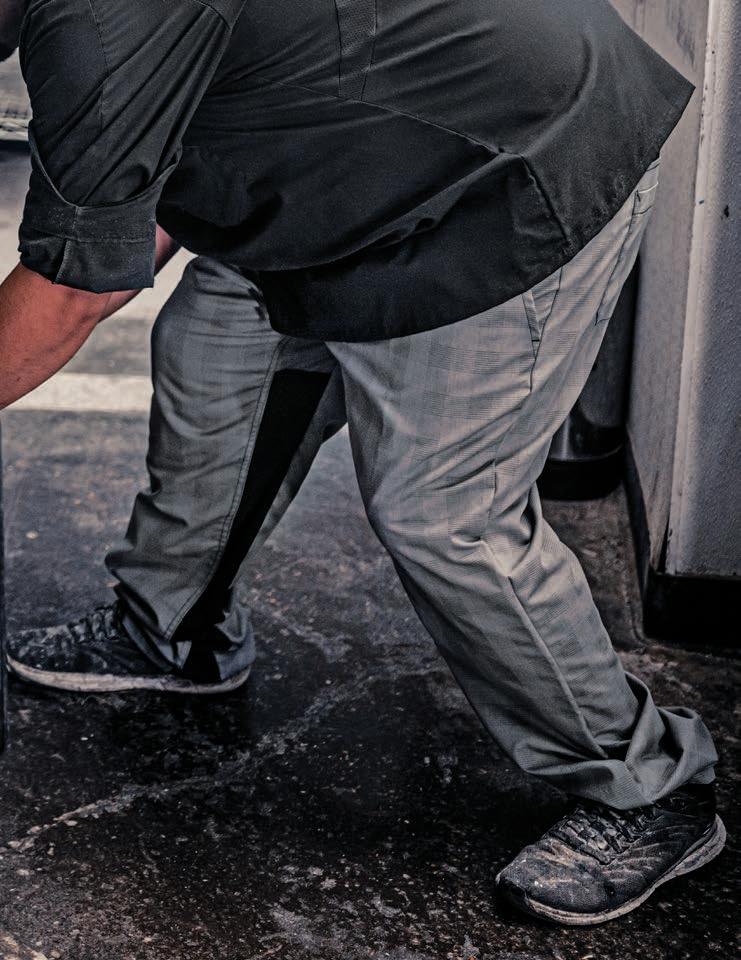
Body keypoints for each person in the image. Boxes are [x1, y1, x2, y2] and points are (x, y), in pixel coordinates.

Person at [0, 0, 724, 925]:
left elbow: (67, 293)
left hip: (504, 165)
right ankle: (172, 630)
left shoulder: (95, 23)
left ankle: (649, 787)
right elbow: (111, 222)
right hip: (340, 158)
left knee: (444, 512)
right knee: (218, 355)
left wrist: (87, 259)